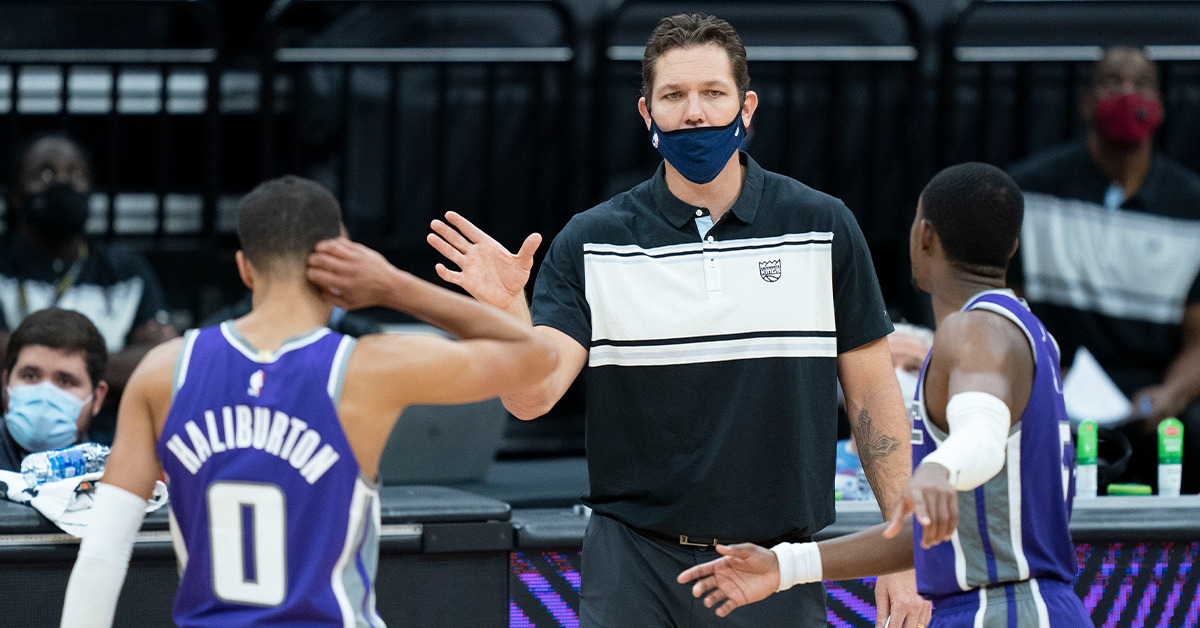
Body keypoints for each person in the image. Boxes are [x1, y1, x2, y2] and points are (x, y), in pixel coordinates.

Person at [349, 13, 923, 626]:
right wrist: (507, 309)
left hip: (774, 563)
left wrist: (900, 553)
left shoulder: (822, 225)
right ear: (647, 113)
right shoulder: (591, 241)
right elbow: (531, 398)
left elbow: (872, 397)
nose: (695, 113)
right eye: (674, 96)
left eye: (712, 94)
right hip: (633, 566)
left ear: (746, 107)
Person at [59, 176, 557, 627]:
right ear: (343, 262)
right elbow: (537, 357)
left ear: (244, 269)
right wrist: (395, 287)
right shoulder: (368, 369)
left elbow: (102, 554)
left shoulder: (164, 371)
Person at [679, 163, 1090, 628]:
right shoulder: (1029, 333)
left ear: (924, 236)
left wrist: (938, 466)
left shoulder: (973, 329)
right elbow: (924, 535)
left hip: (1005, 610)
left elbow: (983, 430)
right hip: (1025, 605)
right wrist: (784, 568)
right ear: (1013, 247)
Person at [1007, 46, 1200, 493]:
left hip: (1153, 392)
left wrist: (1172, 394)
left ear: (1162, 108)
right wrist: (1043, 381)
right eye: (1113, 82)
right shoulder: (1030, 193)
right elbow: (1004, 307)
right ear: (1087, 102)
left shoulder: (1192, 208)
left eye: (1143, 85)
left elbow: (1198, 340)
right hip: (1056, 381)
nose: (1128, 93)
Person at [0, 133, 177, 443]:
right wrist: (111, 365)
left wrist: (25, 358)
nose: (63, 184)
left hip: (110, 441)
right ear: (15, 195)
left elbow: (160, 361)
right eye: (45, 174)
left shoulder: (126, 271)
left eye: (76, 175)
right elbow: (138, 363)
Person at [0, 308, 108, 470]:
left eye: (65, 381)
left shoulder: (110, 481)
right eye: (30, 376)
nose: (45, 395)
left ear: (97, 397)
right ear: (5, 383)